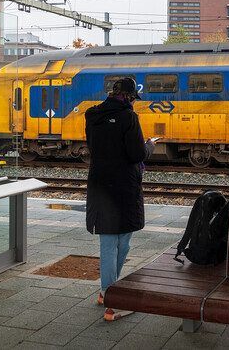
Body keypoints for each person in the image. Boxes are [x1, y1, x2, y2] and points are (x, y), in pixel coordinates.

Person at [85, 77, 156, 321]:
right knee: (123, 241)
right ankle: (112, 299)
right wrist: (150, 146)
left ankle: (107, 292)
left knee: (109, 243)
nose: (134, 103)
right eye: (133, 99)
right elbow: (136, 154)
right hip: (124, 187)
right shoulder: (128, 118)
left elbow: (94, 148)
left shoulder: (92, 115)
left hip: (100, 184)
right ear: (128, 97)